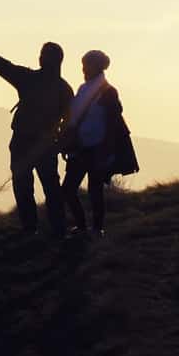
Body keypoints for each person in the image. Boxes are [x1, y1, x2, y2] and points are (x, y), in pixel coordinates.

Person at [0, 40, 73, 237]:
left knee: (23, 186)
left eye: (42, 54)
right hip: (46, 144)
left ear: (46, 59)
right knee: (51, 186)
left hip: (23, 141)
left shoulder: (29, 79)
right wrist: (61, 144)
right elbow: (70, 121)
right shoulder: (64, 88)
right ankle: (58, 229)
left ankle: (30, 228)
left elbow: (2, 66)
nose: (39, 57)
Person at [61, 49, 123, 237]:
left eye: (86, 65)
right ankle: (88, 227)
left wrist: (108, 149)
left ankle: (93, 228)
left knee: (91, 190)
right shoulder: (86, 89)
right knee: (74, 190)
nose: (83, 69)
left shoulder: (107, 92)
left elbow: (113, 121)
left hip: (96, 148)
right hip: (82, 147)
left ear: (96, 66)